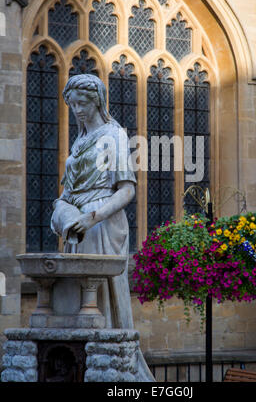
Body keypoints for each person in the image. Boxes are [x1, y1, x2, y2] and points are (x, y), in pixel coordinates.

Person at [50, 74, 154, 382]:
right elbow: (70, 187)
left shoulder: (114, 135)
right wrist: (63, 208)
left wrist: (93, 216)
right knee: (76, 297)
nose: (78, 110)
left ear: (97, 101)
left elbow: (127, 190)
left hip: (102, 225)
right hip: (75, 226)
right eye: (72, 105)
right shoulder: (80, 139)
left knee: (99, 298)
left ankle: (110, 369)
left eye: (82, 103)